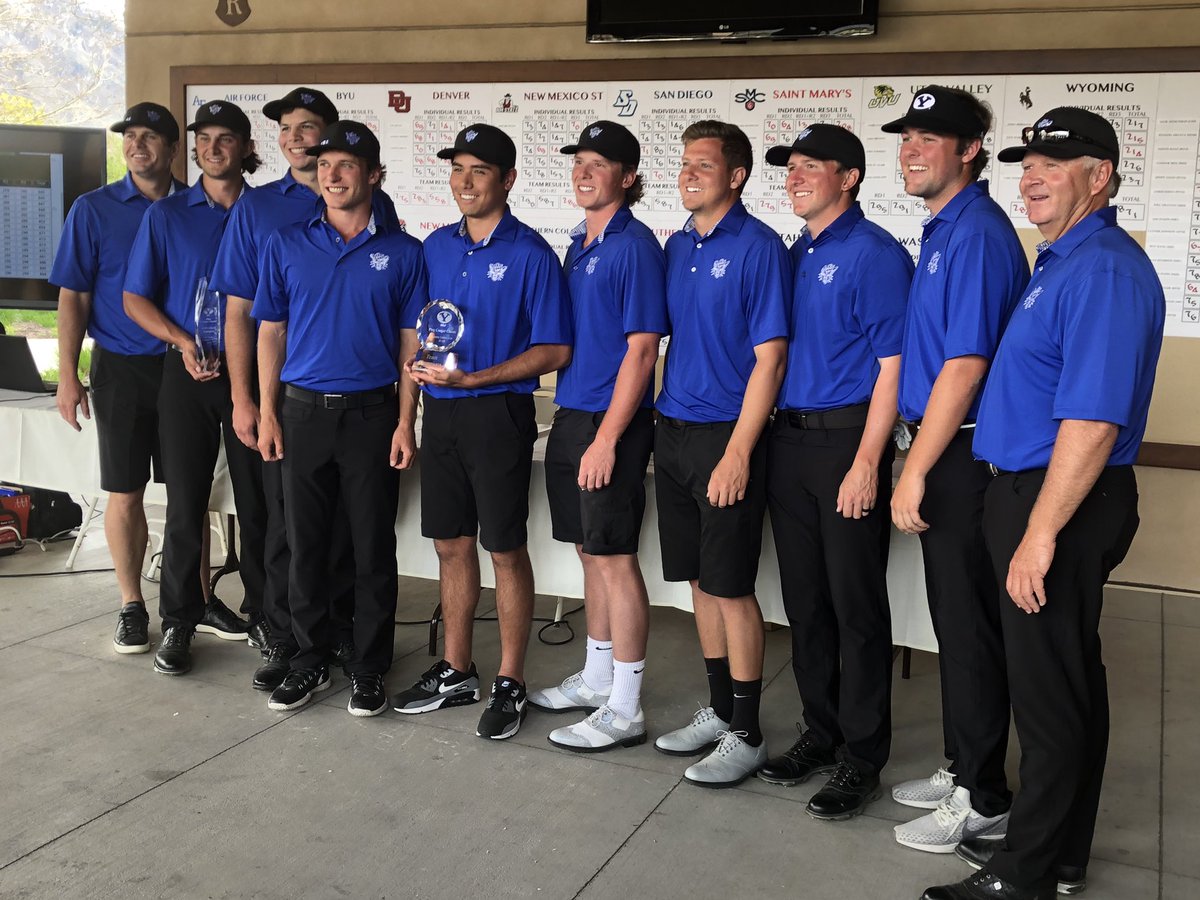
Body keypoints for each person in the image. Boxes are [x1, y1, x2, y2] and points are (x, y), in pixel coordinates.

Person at [923, 107, 1164, 900]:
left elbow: (1092, 422)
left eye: (1054, 165)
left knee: (1047, 697)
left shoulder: (1101, 269)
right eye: (1027, 162)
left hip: (1057, 501)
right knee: (1066, 684)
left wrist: (1039, 534)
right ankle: (1058, 857)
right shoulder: (1061, 259)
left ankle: (1022, 874)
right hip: (1030, 493)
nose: (1031, 176)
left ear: (1099, 177)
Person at [210, 87, 399, 692]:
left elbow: (397, 309)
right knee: (289, 531)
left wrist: (404, 412)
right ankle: (291, 641)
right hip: (294, 402)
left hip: (367, 406)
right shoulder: (261, 213)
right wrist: (251, 402)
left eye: (310, 129)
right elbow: (248, 313)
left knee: (354, 532)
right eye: (288, 129)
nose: (299, 139)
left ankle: (351, 642)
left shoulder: (386, 216)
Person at [882, 86, 1030, 851]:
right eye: (905, 136)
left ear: (970, 149)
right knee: (952, 620)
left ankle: (984, 794)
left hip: (964, 453)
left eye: (928, 138)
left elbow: (965, 366)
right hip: (942, 446)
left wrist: (914, 470)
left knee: (969, 628)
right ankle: (960, 761)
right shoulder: (942, 229)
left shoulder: (975, 234)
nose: (910, 148)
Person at [390, 123, 572, 741]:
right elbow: (418, 334)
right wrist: (407, 410)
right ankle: (456, 669)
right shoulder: (435, 247)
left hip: (498, 414)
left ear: (508, 181)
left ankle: (511, 679)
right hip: (439, 413)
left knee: (504, 549)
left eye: (480, 172)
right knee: (450, 544)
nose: (465, 183)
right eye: (458, 170)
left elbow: (554, 350)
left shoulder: (532, 255)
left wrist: (481, 379)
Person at [756, 125, 912, 819]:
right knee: (806, 605)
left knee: (856, 608)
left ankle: (861, 756)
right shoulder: (796, 252)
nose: (794, 176)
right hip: (788, 445)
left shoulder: (872, 254)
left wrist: (868, 462)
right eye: (790, 168)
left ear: (849, 177)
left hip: (847, 444)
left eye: (810, 166)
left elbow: (893, 367)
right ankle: (819, 733)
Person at [253, 120, 427, 717]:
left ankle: (370, 666)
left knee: (373, 545)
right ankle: (308, 662)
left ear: (374, 176)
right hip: (302, 414)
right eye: (324, 164)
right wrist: (268, 411)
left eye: (346, 165)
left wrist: (407, 421)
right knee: (305, 545)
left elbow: (412, 344)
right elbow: (269, 332)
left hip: (373, 415)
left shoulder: (404, 253)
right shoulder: (287, 243)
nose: (332, 174)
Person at [650, 120, 790, 787]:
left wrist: (739, 452)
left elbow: (771, 359)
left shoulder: (759, 246)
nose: (689, 173)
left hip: (725, 438)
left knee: (732, 587)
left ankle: (748, 730)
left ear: (736, 176)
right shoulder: (678, 245)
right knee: (699, 581)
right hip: (672, 430)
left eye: (704, 164)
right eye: (684, 163)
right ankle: (717, 707)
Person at [529, 121, 667, 752]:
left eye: (599, 164)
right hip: (572, 412)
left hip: (611, 421)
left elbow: (641, 352)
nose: (584, 172)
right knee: (589, 551)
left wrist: (609, 439)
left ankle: (627, 707)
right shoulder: (579, 244)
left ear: (629, 178)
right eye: (578, 161)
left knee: (614, 557)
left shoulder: (635, 246)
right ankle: (597, 677)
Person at [123, 100, 268, 676]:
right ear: (192, 148)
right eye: (203, 138)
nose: (212, 148)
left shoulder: (269, 211)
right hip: (186, 377)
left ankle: (266, 616)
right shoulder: (166, 215)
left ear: (243, 145)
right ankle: (181, 618)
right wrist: (183, 341)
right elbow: (136, 298)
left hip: (254, 378)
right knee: (185, 505)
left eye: (224, 138)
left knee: (260, 506)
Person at [49, 102, 185, 655]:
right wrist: (67, 375)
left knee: (188, 495)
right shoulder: (93, 209)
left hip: (187, 369)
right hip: (120, 368)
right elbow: (73, 296)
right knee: (124, 492)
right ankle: (132, 605)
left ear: (173, 148)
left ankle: (187, 606)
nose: (137, 145)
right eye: (130, 136)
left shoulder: (199, 207)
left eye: (150, 136)